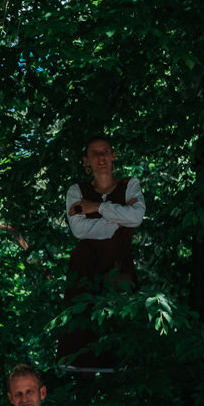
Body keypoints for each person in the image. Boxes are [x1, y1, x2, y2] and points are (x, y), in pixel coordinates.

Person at [58, 135, 145, 371]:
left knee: (120, 334)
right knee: (81, 337)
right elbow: (79, 229)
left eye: (105, 151)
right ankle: (80, 388)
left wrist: (97, 207)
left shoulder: (130, 185)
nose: (101, 157)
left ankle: (120, 388)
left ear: (113, 155)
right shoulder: (76, 191)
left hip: (119, 267)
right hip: (84, 269)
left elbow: (136, 217)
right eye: (94, 153)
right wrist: (118, 220)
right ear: (86, 160)